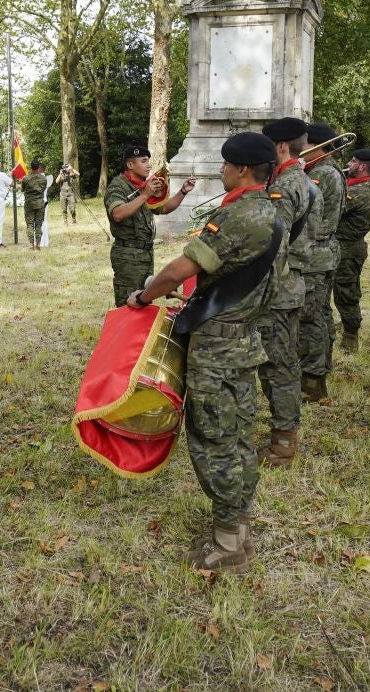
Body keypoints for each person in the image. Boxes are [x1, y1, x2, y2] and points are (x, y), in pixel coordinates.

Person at [126, 132, 281, 572]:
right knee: (235, 435)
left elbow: (180, 268)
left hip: (218, 346)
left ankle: (228, 541)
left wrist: (144, 296)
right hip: (243, 337)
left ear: (243, 170)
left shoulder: (242, 215)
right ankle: (239, 521)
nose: (221, 170)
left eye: (226, 165)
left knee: (214, 440)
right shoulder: (271, 209)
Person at [257, 118, 314, 466]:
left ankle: (283, 442)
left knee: (278, 365)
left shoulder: (285, 184)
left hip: (278, 289)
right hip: (292, 283)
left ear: (279, 147)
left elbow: (275, 245)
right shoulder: (302, 179)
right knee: (284, 362)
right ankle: (284, 433)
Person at [104, 145, 193, 305]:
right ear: (130, 165)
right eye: (144, 161)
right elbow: (118, 214)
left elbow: (163, 208)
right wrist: (145, 195)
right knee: (128, 303)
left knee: (143, 301)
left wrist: (183, 192)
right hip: (127, 255)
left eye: (149, 161)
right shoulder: (119, 186)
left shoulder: (143, 186)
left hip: (146, 254)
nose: (149, 165)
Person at [299, 123, 347, 401]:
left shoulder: (323, 173)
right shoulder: (321, 170)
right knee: (319, 314)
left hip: (316, 253)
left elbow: (315, 220)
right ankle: (318, 372)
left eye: (304, 145)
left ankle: (313, 380)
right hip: (319, 253)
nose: (301, 151)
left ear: (319, 146)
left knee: (310, 318)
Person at [332, 148, 370, 353]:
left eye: (352, 161)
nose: (349, 164)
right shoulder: (355, 186)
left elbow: (331, 208)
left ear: (361, 166)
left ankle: (351, 334)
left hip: (348, 248)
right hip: (344, 246)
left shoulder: (358, 192)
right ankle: (347, 324)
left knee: (346, 292)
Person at [21, 160, 49, 250]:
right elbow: (43, 189)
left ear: (31, 167)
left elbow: (22, 189)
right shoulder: (44, 179)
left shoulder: (26, 178)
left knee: (29, 224)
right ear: (38, 168)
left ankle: (31, 245)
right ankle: (38, 244)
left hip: (29, 203)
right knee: (38, 224)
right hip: (40, 204)